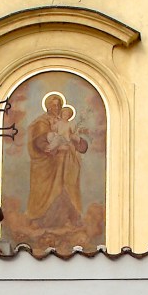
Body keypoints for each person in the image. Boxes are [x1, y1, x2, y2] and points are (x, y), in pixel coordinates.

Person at [26, 93, 88, 230]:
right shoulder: (42, 122)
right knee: (47, 192)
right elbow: (38, 141)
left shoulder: (66, 122)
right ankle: (40, 219)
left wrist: (78, 141)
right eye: (53, 105)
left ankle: (68, 219)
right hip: (46, 165)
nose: (56, 108)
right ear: (47, 106)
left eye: (59, 105)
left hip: (65, 163)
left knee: (65, 190)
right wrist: (53, 148)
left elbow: (76, 141)